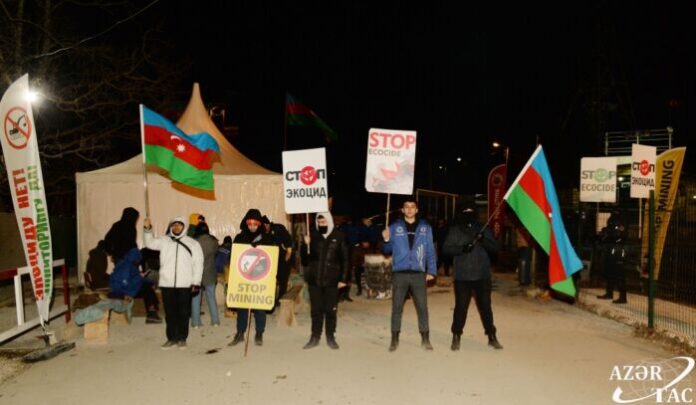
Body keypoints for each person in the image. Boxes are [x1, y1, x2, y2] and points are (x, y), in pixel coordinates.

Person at [443, 204, 502, 350]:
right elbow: (446, 249)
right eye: (465, 211)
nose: (468, 214)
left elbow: (495, 248)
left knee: (486, 307)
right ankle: (456, 336)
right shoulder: (455, 230)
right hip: (462, 276)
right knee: (461, 308)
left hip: (482, 275)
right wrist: (461, 249)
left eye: (471, 211)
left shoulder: (483, 228)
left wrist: (483, 240)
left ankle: (492, 336)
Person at [382, 197, 437, 351]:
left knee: (422, 307)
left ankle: (425, 338)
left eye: (413, 207)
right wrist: (386, 239)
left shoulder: (425, 227)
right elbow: (386, 251)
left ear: (417, 209)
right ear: (402, 209)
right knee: (397, 307)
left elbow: (430, 251)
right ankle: (394, 339)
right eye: (407, 207)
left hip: (418, 273)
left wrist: (431, 270)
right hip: (400, 273)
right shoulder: (394, 227)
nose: (410, 209)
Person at [143, 216, 204, 349]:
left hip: (185, 283)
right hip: (167, 283)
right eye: (174, 225)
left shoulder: (193, 244)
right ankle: (171, 338)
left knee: (183, 312)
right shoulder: (164, 241)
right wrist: (147, 229)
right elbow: (150, 243)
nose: (176, 227)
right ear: (171, 227)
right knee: (170, 312)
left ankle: (182, 338)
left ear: (184, 226)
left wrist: (196, 282)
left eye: (179, 225)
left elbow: (198, 264)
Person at [300, 211, 349, 349]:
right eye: (319, 222)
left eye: (324, 222)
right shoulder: (312, 236)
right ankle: (315, 336)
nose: (322, 224)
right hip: (314, 279)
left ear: (329, 221)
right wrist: (305, 245)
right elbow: (305, 260)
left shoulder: (339, 236)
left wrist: (344, 279)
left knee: (330, 310)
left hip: (332, 280)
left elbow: (345, 259)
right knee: (316, 310)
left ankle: (330, 336)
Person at [228, 209, 274, 347]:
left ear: (259, 224)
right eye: (250, 224)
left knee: (259, 307)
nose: (252, 227)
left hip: (260, 277)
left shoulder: (267, 238)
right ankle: (240, 333)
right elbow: (234, 257)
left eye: (255, 224)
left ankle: (259, 332)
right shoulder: (239, 238)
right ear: (246, 223)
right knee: (242, 307)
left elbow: (272, 257)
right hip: (244, 277)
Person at [108, 246, 162, 324]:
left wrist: (150, 282)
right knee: (147, 289)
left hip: (125, 290)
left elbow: (136, 277)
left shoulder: (129, 264)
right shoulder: (126, 267)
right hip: (121, 292)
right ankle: (152, 314)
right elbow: (125, 283)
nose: (139, 262)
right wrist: (139, 278)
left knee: (147, 287)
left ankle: (152, 313)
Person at [191, 222, 221, 328]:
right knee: (211, 298)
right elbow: (216, 253)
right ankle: (215, 321)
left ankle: (195, 323)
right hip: (210, 274)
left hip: (197, 275)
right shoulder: (214, 242)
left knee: (195, 299)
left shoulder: (194, 242)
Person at [261, 215, 294, 311]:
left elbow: (288, 240)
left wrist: (289, 252)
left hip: (283, 257)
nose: (265, 228)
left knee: (283, 280)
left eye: (266, 226)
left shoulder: (278, 228)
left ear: (268, 224)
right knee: (271, 280)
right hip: (270, 259)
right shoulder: (261, 233)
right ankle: (271, 301)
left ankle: (280, 300)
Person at [596, 210, 627, 304]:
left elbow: (619, 234)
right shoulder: (614, 217)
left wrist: (607, 234)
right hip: (612, 248)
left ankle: (622, 297)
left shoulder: (620, 219)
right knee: (610, 272)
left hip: (617, 249)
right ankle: (609, 293)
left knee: (618, 273)